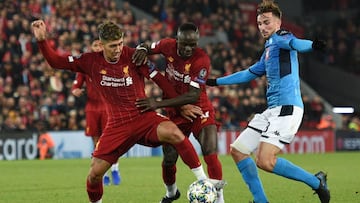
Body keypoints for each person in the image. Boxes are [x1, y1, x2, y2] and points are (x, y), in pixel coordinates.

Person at [32, 20, 209, 203]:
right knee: (94, 175)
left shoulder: (134, 56)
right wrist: (42, 41)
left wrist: (181, 105)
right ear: (101, 45)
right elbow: (56, 61)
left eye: (120, 44)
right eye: (112, 46)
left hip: (143, 117)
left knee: (174, 133)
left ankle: (204, 182)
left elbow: (161, 80)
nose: (118, 49)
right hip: (117, 125)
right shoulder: (89, 61)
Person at [206, 1, 330, 203]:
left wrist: (313, 45)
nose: (263, 27)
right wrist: (215, 81)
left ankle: (317, 182)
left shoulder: (281, 38)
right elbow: (248, 74)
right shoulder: (269, 48)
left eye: (267, 22)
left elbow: (294, 43)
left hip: (287, 109)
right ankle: (261, 201)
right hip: (273, 111)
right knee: (238, 150)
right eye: (259, 24)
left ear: (278, 22)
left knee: (265, 161)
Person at [132, 22, 225, 203]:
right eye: (185, 44)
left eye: (193, 44)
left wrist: (158, 103)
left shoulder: (202, 60)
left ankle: (219, 199)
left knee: (210, 149)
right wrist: (141, 48)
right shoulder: (167, 45)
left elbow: (193, 95)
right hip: (174, 112)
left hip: (199, 108)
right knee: (169, 159)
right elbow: (146, 46)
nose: (189, 49)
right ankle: (171, 193)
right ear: (177, 40)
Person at [71, 39, 121, 186]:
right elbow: (77, 83)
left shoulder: (112, 63)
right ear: (91, 48)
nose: (98, 47)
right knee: (96, 141)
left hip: (108, 108)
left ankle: (115, 169)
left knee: (111, 141)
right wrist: (76, 90)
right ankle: (102, 173)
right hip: (92, 109)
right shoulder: (86, 65)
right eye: (95, 45)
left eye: (100, 44)